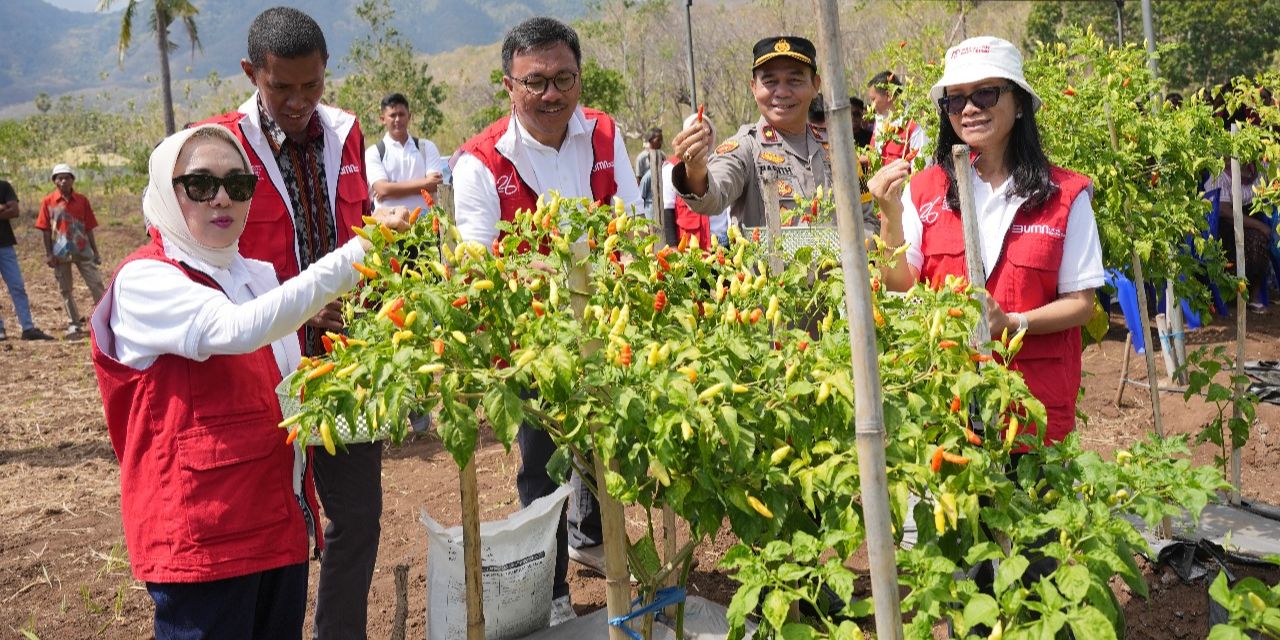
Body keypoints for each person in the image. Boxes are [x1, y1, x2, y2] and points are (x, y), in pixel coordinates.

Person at [89, 125, 407, 640]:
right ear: (168, 195)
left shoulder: (250, 274)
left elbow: (282, 379)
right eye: (200, 185)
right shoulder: (147, 279)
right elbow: (237, 330)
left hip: (273, 522)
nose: (222, 198)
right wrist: (360, 251)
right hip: (204, 537)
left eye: (238, 186)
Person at [451, 15, 642, 623]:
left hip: (607, 329)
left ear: (579, 78)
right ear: (508, 85)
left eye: (563, 78)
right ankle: (553, 593)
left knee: (608, 454)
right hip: (532, 343)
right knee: (541, 464)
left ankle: (610, 563)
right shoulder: (480, 162)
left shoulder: (606, 137)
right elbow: (480, 265)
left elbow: (632, 231)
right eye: (535, 82)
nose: (551, 94)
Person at [198, 7, 378, 638]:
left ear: (326, 71)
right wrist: (298, 306)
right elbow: (196, 262)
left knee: (356, 519)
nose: (299, 100)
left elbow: (362, 236)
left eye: (312, 85)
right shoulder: (218, 149)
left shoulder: (348, 135)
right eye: (282, 88)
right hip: (259, 374)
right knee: (268, 529)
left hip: (344, 365)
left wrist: (364, 299)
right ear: (253, 74)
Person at [869, 36, 1103, 446]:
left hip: (1032, 410)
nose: (969, 109)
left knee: (1035, 504)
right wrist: (889, 216)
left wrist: (1012, 323)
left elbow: (1082, 306)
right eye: (955, 100)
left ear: (1018, 104)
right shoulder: (924, 189)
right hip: (945, 405)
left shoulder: (1065, 193)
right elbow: (898, 286)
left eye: (985, 93)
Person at [670, 37, 877, 235]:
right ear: (753, 88)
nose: (782, 92)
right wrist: (695, 170)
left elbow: (868, 219)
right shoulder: (745, 147)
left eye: (794, 80)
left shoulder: (842, 150)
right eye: (770, 81)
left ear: (815, 85)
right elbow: (712, 198)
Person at [37, 163, 105, 338]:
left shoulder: (82, 200)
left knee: (96, 284)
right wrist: (49, 254)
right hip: (60, 252)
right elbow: (45, 229)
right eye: (59, 178)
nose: (63, 181)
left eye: (67, 177)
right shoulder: (48, 201)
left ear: (72, 180)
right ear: (54, 181)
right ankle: (74, 323)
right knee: (66, 289)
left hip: (83, 249)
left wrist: (96, 252)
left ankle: (104, 320)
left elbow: (89, 227)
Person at [365, 92, 449, 210]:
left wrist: (391, 189)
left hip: (426, 225)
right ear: (383, 119)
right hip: (388, 225)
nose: (397, 119)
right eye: (392, 115)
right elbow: (382, 189)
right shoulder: (374, 152)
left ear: (409, 116)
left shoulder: (426, 147)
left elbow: (436, 184)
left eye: (401, 114)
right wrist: (425, 184)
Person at [0, 179, 53, 341]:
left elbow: (15, 211)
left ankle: (28, 328)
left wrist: (6, 208)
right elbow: (8, 209)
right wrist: (2, 208)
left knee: (17, 286)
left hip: (5, 245)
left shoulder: (4, 186)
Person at [868, 70, 927, 164]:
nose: (872, 106)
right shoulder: (879, 121)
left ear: (889, 95)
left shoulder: (915, 124)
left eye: (873, 99)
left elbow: (920, 171)